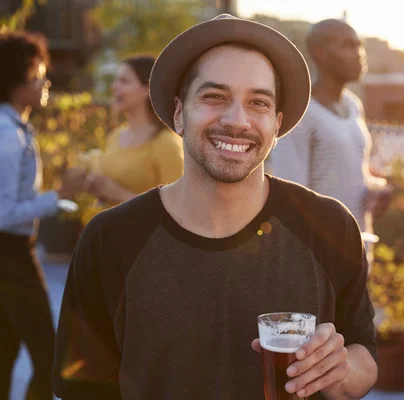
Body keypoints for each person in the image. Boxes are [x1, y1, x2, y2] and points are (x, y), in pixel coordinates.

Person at [52, 14, 378, 400]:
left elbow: (364, 355)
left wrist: (339, 370)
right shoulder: (108, 240)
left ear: (276, 124)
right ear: (178, 113)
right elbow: (80, 389)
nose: (236, 120)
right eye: (214, 97)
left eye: (257, 102)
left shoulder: (330, 225)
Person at [267, 19, 391, 250]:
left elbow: (349, 173)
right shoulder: (300, 113)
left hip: (359, 246)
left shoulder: (354, 106)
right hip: (321, 255)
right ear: (319, 53)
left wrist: (375, 188)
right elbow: (291, 196)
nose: (359, 54)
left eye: (360, 45)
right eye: (348, 45)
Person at [0, 30, 77, 400]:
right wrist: (58, 197)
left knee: (5, 351)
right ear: (16, 81)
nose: (46, 82)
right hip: (10, 252)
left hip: (13, 250)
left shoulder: (15, 127)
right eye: (38, 75)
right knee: (50, 355)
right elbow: (3, 214)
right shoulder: (5, 135)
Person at [69, 55, 183, 206]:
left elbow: (177, 208)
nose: (114, 87)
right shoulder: (115, 136)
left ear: (146, 89)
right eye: (116, 80)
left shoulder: (167, 144)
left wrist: (117, 193)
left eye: (124, 81)